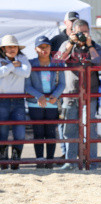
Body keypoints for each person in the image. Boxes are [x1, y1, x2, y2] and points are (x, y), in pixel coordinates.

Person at [58, 19, 101, 170]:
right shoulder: (67, 44)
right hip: (71, 93)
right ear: (72, 32)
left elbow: (99, 62)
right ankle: (71, 162)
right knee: (69, 129)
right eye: (79, 32)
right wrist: (71, 44)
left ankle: (91, 161)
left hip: (90, 93)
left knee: (90, 129)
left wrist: (90, 45)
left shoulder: (95, 45)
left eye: (85, 32)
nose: (82, 35)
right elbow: (58, 59)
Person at [25, 36, 65, 169]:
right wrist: (39, 96)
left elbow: (62, 84)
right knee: (38, 132)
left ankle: (49, 161)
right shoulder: (30, 64)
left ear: (50, 48)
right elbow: (27, 85)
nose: (44, 50)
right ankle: (40, 160)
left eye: (46, 46)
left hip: (52, 102)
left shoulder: (58, 64)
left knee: (50, 132)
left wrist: (55, 95)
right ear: (36, 49)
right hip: (34, 102)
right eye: (41, 47)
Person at [0, 35, 31, 170]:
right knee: (2, 132)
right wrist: (13, 65)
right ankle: (3, 161)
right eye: (9, 46)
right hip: (3, 99)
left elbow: (27, 73)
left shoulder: (23, 59)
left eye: (14, 46)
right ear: (3, 48)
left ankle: (15, 160)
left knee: (20, 132)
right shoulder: (18, 60)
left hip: (18, 100)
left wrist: (8, 67)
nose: (12, 49)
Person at [51, 11, 79, 160]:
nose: (73, 23)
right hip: (61, 85)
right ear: (65, 22)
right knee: (63, 120)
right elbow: (53, 61)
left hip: (79, 86)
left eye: (76, 21)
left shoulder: (84, 37)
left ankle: (78, 152)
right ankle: (65, 152)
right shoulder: (57, 39)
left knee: (79, 121)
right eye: (71, 21)